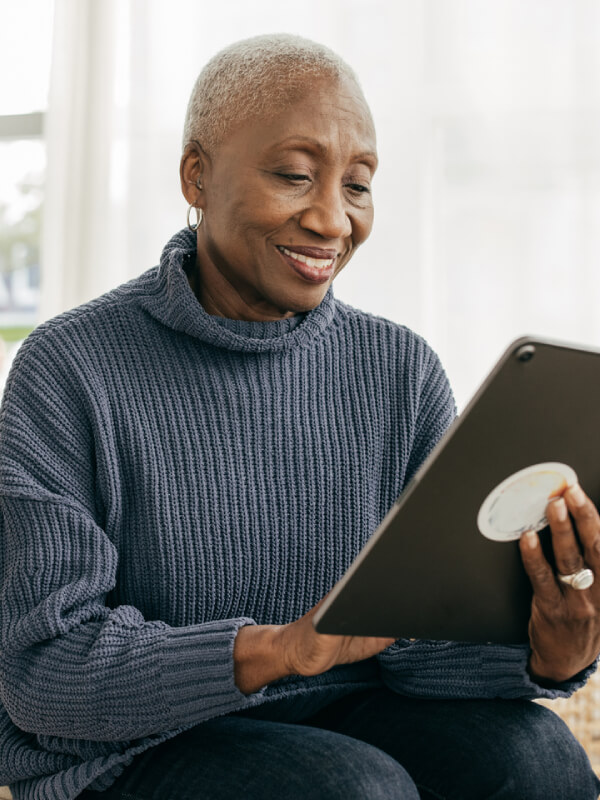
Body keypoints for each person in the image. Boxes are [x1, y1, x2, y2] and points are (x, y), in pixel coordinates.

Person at [0, 33, 598, 800]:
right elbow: (43, 674)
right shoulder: (69, 368)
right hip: (138, 746)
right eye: (293, 175)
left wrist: (547, 651)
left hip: (351, 711)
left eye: (357, 185)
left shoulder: (399, 370)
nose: (331, 220)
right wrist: (279, 650)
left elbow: (416, 644)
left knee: (538, 759)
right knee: (352, 789)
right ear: (197, 176)